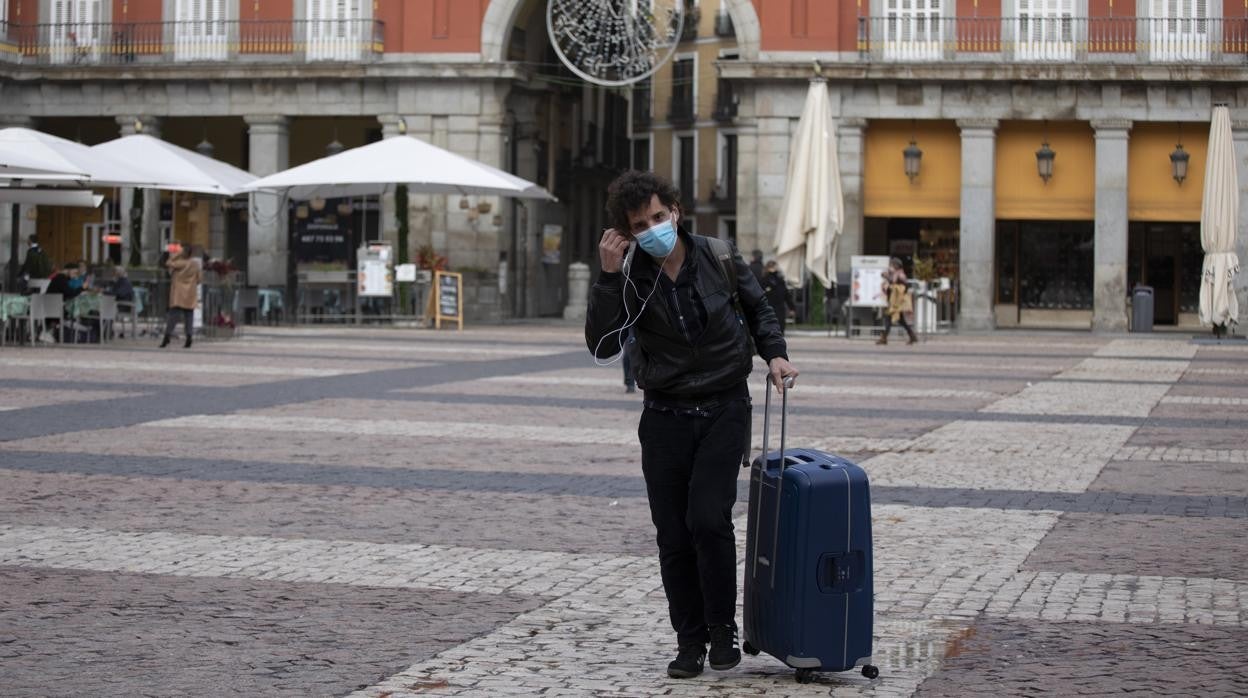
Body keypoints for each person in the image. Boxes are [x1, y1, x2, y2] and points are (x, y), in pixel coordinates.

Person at [585, 170, 798, 680]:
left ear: (676, 211)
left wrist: (775, 355)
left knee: (708, 519)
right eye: (641, 224)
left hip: (724, 408)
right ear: (627, 232)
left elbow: (758, 306)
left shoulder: (717, 255)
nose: (654, 228)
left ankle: (722, 630)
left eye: (659, 216)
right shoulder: (632, 275)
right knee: (673, 535)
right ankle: (690, 641)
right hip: (664, 417)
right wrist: (609, 277)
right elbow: (601, 345)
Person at [160, 245, 201, 349]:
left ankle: (167, 337)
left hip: (178, 293)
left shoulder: (180, 263)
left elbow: (168, 263)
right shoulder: (195, 264)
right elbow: (199, 279)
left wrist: (175, 255)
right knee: (189, 317)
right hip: (190, 293)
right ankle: (189, 337)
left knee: (173, 316)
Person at [878, 256, 918, 345]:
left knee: (889, 318)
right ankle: (912, 336)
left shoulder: (900, 274)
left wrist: (887, 276)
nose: (890, 267)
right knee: (901, 320)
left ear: (896, 266)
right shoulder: (896, 274)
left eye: (891, 265)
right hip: (894, 301)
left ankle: (884, 338)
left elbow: (897, 283)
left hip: (897, 302)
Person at [760, 259, 795, 335]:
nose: (773, 269)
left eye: (774, 267)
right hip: (769, 308)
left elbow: (786, 295)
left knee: (780, 329)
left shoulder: (780, 280)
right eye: (771, 267)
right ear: (768, 268)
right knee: (770, 330)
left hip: (779, 308)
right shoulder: (764, 280)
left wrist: (792, 308)